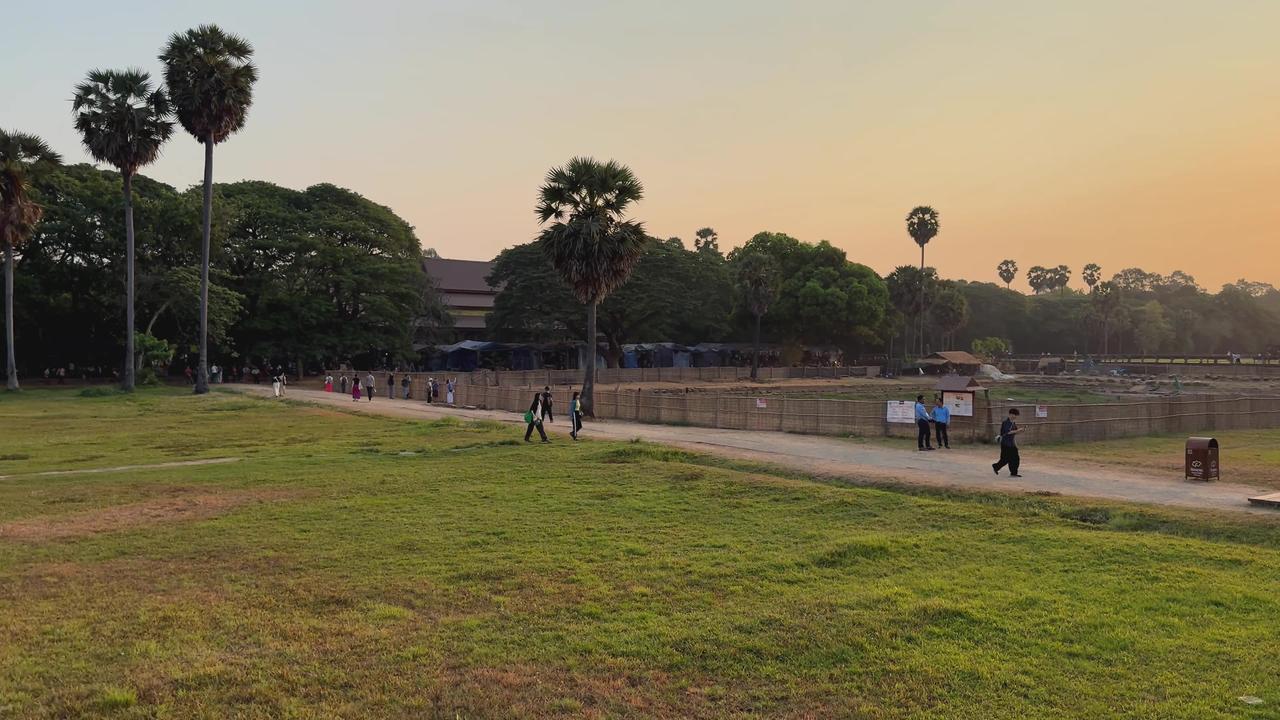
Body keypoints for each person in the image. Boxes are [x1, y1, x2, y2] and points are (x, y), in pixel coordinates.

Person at [992, 408, 1023, 477]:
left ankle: (1014, 473)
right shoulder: (1006, 423)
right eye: (1013, 414)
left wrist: (1016, 444)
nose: (1014, 416)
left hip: (1011, 444)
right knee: (1005, 459)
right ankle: (996, 466)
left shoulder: (1013, 423)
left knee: (1015, 458)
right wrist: (1018, 431)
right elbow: (1008, 432)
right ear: (1010, 414)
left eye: (1016, 415)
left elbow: (1013, 435)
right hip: (1005, 444)